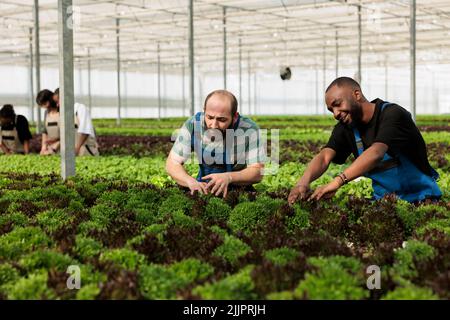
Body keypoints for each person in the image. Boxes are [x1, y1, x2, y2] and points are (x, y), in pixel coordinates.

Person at [288, 77, 442, 204]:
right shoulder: (346, 127)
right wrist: (303, 182)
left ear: (357, 95)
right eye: (331, 110)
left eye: (337, 104)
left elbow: (376, 152)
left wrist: (337, 182)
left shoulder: (393, 114)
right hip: (385, 202)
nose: (335, 113)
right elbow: (324, 156)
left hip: (421, 198)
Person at [166, 89, 266, 198]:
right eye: (209, 117)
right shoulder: (193, 125)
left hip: (238, 190)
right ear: (204, 111)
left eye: (222, 120)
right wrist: (190, 182)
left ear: (235, 117)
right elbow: (173, 162)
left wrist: (229, 177)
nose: (214, 125)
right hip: (204, 187)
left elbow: (257, 171)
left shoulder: (249, 130)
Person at [53, 88, 99, 156]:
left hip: (86, 150)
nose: (57, 105)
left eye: (57, 102)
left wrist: (77, 148)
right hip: (73, 151)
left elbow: (85, 131)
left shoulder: (80, 108)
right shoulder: (64, 113)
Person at [36, 89, 61, 155]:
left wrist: (57, 140)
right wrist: (43, 147)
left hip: (62, 144)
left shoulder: (62, 110)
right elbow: (45, 131)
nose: (45, 106)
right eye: (42, 105)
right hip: (51, 145)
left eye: (45, 103)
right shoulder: (46, 113)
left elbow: (69, 132)